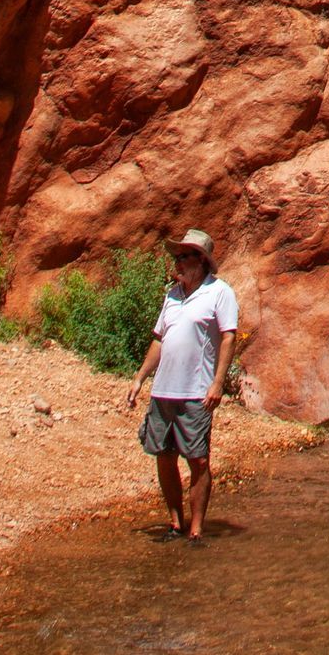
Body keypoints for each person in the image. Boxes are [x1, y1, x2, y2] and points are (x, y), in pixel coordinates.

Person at [125, 227, 239, 541]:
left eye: (184, 256)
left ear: (201, 260)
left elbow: (229, 337)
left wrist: (218, 383)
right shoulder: (172, 296)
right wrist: (139, 379)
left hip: (196, 392)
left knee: (198, 459)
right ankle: (175, 523)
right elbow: (159, 341)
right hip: (163, 391)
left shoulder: (220, 292)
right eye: (177, 256)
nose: (178, 261)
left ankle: (197, 530)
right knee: (164, 456)